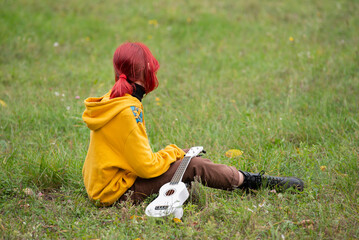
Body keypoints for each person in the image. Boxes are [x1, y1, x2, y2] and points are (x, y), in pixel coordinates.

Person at [82, 42, 304, 206]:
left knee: (188, 158)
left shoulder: (111, 99)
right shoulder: (128, 110)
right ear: (145, 70)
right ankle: (255, 182)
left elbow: (133, 158)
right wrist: (175, 152)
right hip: (116, 194)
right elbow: (146, 167)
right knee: (192, 165)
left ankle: (233, 177)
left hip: (103, 186)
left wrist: (176, 154)